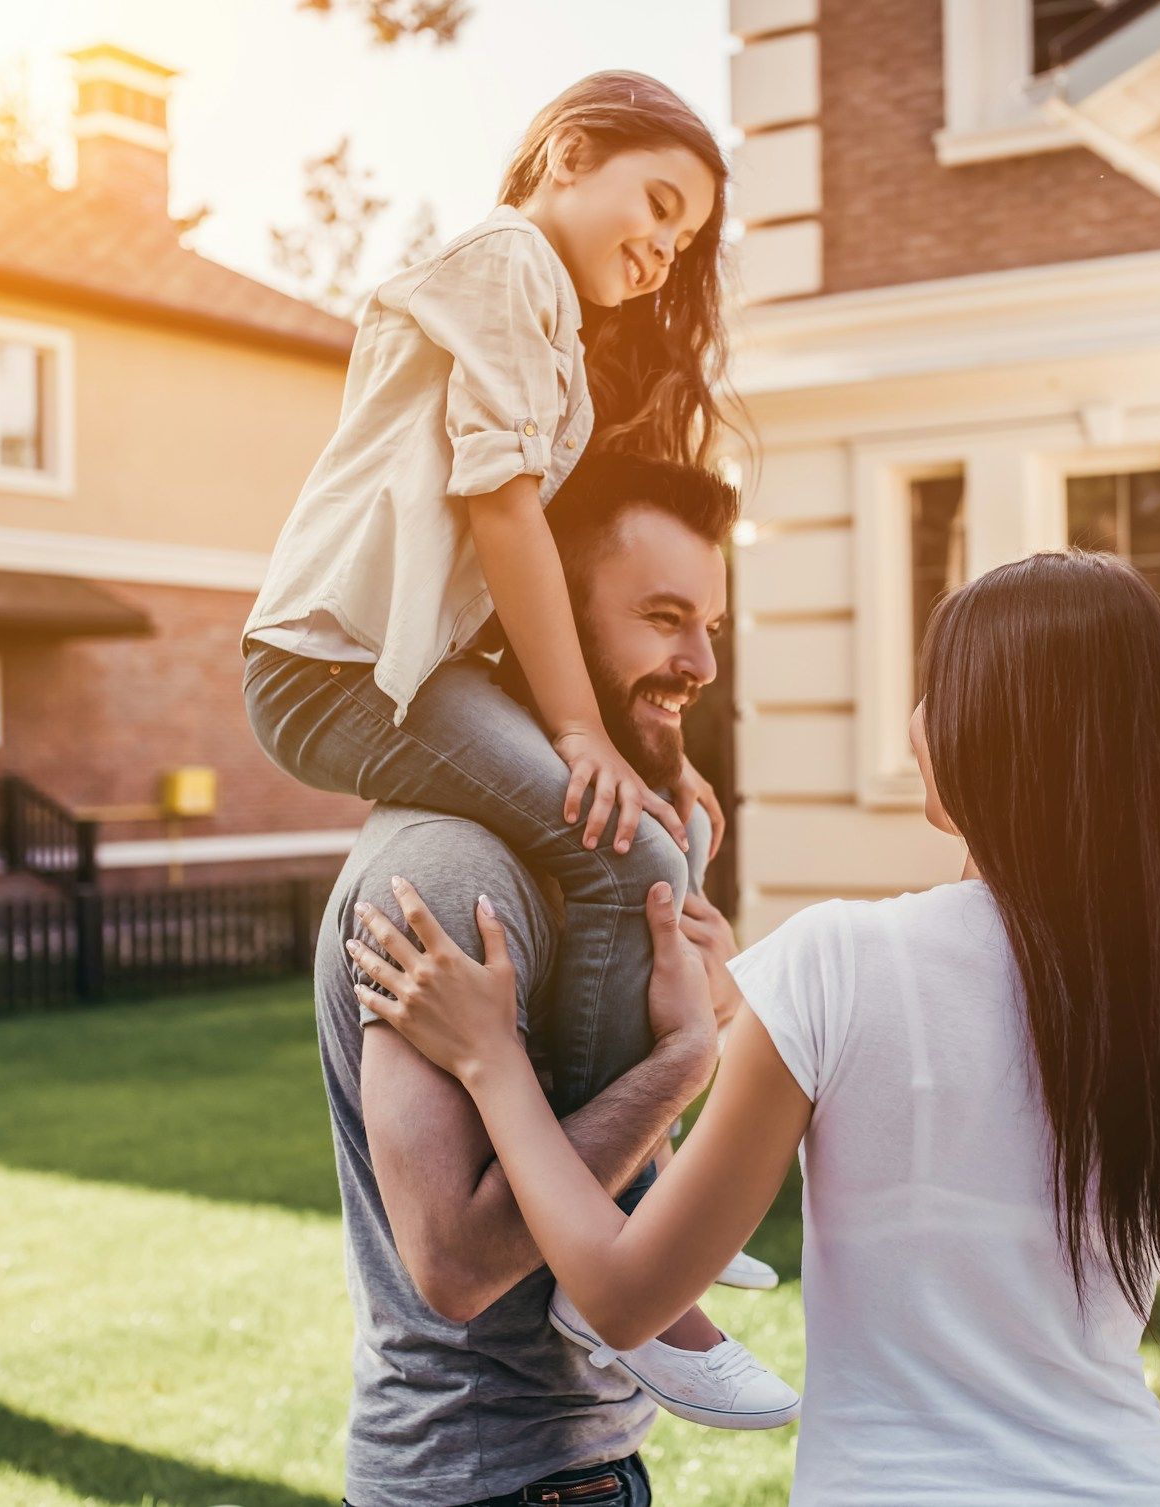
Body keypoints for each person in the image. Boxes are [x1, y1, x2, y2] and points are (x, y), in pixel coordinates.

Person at [356, 550, 1160, 1506]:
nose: (918, 719)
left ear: (988, 735)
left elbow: (622, 1295)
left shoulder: (838, 965)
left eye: (935, 690)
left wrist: (494, 1060)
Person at [243, 68, 739, 1160]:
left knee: (662, 831)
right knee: (627, 862)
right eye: (659, 206)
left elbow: (528, 577)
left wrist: (657, 758)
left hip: (411, 668)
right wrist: (579, 733)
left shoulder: (552, 323)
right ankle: (599, 1203)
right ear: (569, 155)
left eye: (685, 240)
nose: (665, 253)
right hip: (333, 667)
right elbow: (501, 507)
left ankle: (623, 1190)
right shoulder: (508, 260)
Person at [296, 455, 798, 1507]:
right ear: (548, 624)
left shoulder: (600, 854)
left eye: (712, 625)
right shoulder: (447, 873)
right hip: (485, 1477)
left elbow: (591, 1148)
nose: (701, 660)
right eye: (665, 618)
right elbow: (456, 1261)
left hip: (578, 1463)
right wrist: (681, 1063)